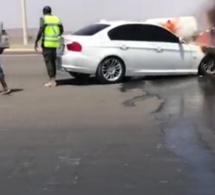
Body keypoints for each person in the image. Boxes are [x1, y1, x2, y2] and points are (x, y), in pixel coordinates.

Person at [34, 6, 64, 87]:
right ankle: (53, 79)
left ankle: (52, 81)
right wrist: (56, 36)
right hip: (55, 43)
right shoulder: (56, 18)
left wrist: (36, 41)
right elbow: (61, 30)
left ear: (43, 12)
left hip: (47, 44)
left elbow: (41, 30)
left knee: (48, 62)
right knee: (53, 61)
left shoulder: (44, 18)